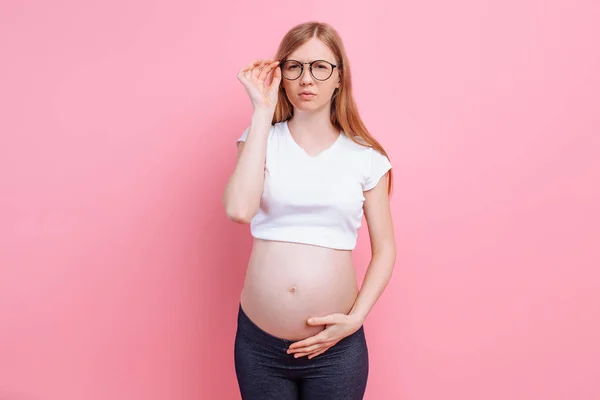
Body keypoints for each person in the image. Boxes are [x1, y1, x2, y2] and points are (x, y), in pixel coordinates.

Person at [222, 21, 397, 400]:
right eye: (294, 66)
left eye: (320, 67)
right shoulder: (260, 140)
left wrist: (356, 319)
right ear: (281, 75)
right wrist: (260, 113)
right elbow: (238, 209)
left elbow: (385, 250)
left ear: (339, 77)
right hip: (259, 345)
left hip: (335, 349)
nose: (307, 78)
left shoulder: (367, 159)